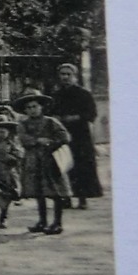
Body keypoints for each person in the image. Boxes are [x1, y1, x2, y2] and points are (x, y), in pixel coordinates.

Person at [15, 91, 73, 235]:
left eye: (35, 106)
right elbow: (22, 138)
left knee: (55, 192)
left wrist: (52, 143)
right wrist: (37, 141)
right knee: (38, 192)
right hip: (34, 161)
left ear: (41, 107)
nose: (32, 110)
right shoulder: (23, 124)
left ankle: (57, 223)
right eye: (28, 108)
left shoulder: (51, 122)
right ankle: (42, 221)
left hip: (51, 160)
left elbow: (64, 136)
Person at [49, 63, 103, 208]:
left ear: (75, 76)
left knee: (81, 165)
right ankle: (66, 197)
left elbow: (91, 113)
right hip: (62, 135)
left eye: (68, 74)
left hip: (80, 135)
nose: (65, 77)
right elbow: (49, 113)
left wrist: (76, 117)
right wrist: (56, 118)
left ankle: (82, 198)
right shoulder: (55, 95)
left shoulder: (84, 94)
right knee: (63, 164)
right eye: (63, 74)